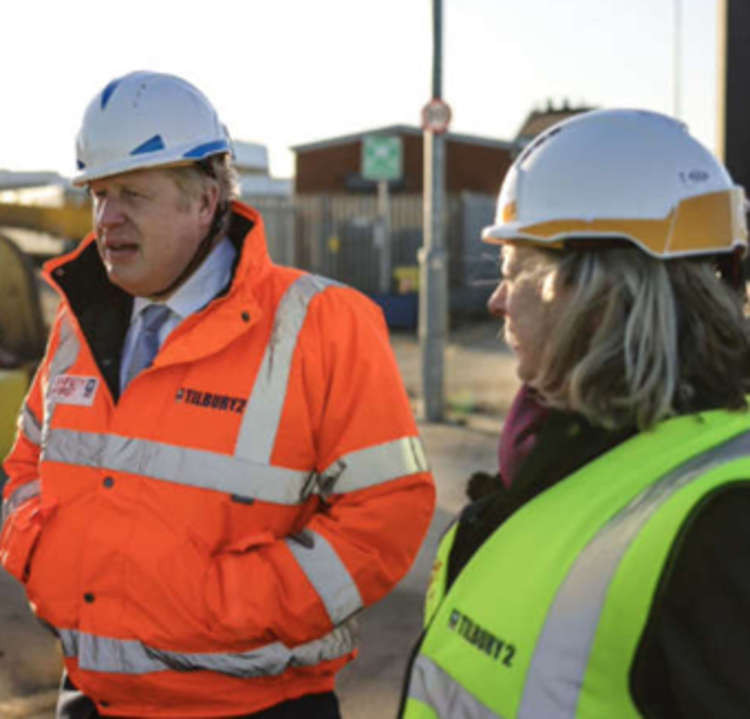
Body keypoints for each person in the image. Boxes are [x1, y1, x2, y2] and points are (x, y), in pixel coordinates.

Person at [0, 71, 435, 719]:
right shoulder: (77, 324)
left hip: (256, 705)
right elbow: (26, 467)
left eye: (132, 195)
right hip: (91, 695)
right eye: (99, 194)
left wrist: (224, 605)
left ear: (206, 202)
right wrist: (50, 564)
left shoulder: (323, 323)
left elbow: (385, 518)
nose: (106, 218)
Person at [400, 108, 750, 718]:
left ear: (591, 292)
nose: (496, 300)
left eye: (513, 273)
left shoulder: (726, 523)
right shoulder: (574, 452)